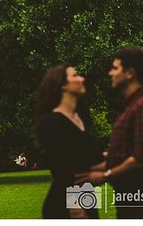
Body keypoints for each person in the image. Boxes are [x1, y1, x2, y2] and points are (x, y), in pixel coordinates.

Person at [77, 47, 143, 219]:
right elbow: (124, 154)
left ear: (130, 73)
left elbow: (141, 158)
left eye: (115, 68)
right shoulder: (133, 106)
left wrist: (105, 175)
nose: (110, 73)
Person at [37, 64, 101, 219]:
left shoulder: (80, 118)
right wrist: (76, 207)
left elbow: (88, 160)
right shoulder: (53, 122)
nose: (82, 79)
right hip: (66, 204)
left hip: (87, 195)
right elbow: (63, 171)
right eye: (75, 75)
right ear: (63, 85)